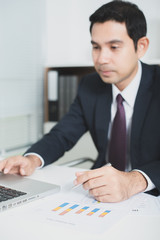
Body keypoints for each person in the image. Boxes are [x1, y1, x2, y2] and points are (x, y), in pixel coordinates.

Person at [0, 1, 160, 203]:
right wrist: (31, 159)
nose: (101, 59)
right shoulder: (90, 85)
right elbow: (62, 135)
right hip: (98, 194)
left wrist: (135, 181)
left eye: (114, 47)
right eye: (96, 47)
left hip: (151, 196)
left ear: (141, 46)